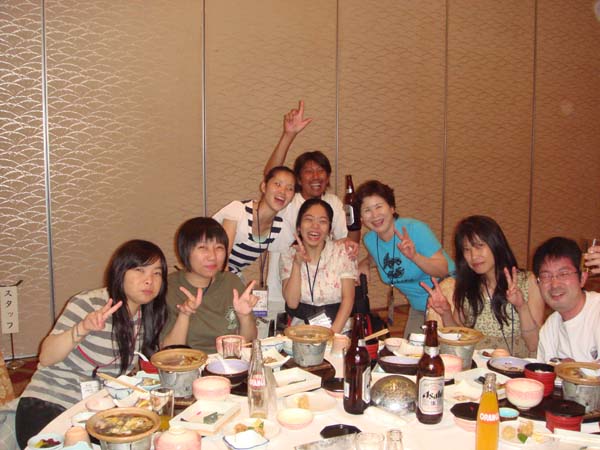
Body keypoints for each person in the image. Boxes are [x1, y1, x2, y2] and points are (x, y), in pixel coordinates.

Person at [15, 240, 168, 448]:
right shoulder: (90, 303)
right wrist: (82, 328)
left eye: (157, 273)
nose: (149, 280)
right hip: (50, 404)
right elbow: (46, 357)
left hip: (96, 412)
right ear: (120, 272)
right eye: (140, 270)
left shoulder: (145, 315)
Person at [263, 101, 355, 329]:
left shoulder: (333, 202)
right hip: (283, 281)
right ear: (298, 178)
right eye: (308, 171)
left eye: (321, 170)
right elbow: (271, 176)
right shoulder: (288, 200)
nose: (315, 176)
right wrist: (288, 135)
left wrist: (353, 252)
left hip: (324, 291)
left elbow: (346, 241)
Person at [423, 215, 544, 357]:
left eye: (479, 246)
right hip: (478, 365)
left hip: (517, 365)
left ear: (496, 244)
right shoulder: (468, 286)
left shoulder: (527, 282)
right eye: (467, 249)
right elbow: (460, 337)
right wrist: (446, 313)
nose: (474, 256)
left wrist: (521, 306)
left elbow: (534, 344)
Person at [355, 180, 454, 337]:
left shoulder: (415, 230)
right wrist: (365, 262)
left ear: (392, 208)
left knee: (442, 349)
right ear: (361, 218)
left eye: (379, 206)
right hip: (419, 307)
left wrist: (415, 257)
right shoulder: (370, 239)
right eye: (367, 210)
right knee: (409, 349)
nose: (374, 215)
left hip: (449, 302)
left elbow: (443, 270)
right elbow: (379, 255)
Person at [161, 217, 258, 353]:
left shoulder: (231, 282)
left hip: (229, 361)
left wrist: (244, 316)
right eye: (202, 247)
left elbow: (248, 343)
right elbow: (168, 352)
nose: (212, 256)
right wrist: (185, 315)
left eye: (219, 248)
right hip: (188, 363)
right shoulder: (168, 288)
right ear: (185, 250)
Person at [280, 198, 357, 333]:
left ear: (329, 229)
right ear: (299, 227)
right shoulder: (288, 254)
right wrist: (297, 264)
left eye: (322, 221)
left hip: (340, 328)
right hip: (301, 331)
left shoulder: (342, 252)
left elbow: (348, 299)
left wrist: (331, 335)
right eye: (309, 219)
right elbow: (292, 302)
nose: (315, 226)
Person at [213, 166, 296, 283]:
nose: (282, 191)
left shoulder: (279, 228)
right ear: (264, 187)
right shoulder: (238, 211)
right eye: (277, 184)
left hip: (231, 276)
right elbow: (220, 258)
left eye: (290, 188)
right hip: (208, 273)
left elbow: (292, 251)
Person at [533, 237, 600, 363]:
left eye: (563, 274)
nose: (554, 284)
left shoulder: (596, 310)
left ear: (582, 278)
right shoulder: (549, 329)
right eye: (546, 276)